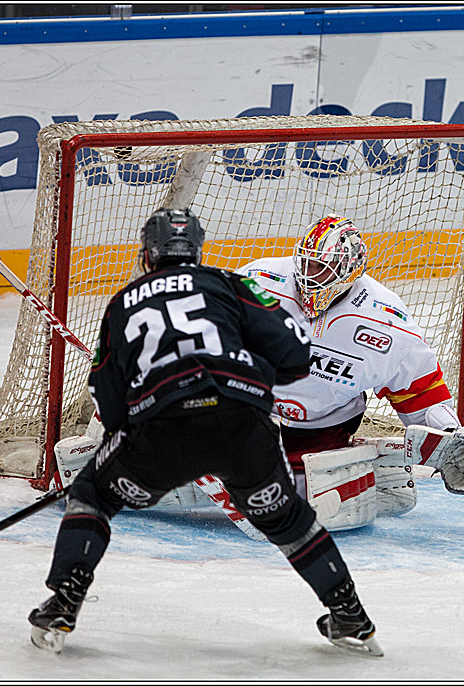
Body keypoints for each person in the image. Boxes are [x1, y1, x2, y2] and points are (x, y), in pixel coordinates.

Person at [29, 208, 383, 657]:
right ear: (197, 249)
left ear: (147, 254)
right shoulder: (231, 284)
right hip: (243, 426)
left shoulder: (123, 303)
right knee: (287, 518)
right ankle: (349, 614)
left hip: (162, 430)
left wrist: (133, 439)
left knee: (93, 495)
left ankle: (64, 602)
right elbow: (296, 354)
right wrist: (250, 376)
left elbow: (108, 398)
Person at [237, 214, 464, 512]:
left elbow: (419, 391)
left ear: (348, 271)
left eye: (321, 267)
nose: (307, 275)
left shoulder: (384, 319)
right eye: (305, 263)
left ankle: (358, 473)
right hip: (249, 414)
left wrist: (451, 436)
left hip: (322, 431)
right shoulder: (257, 280)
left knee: (297, 498)